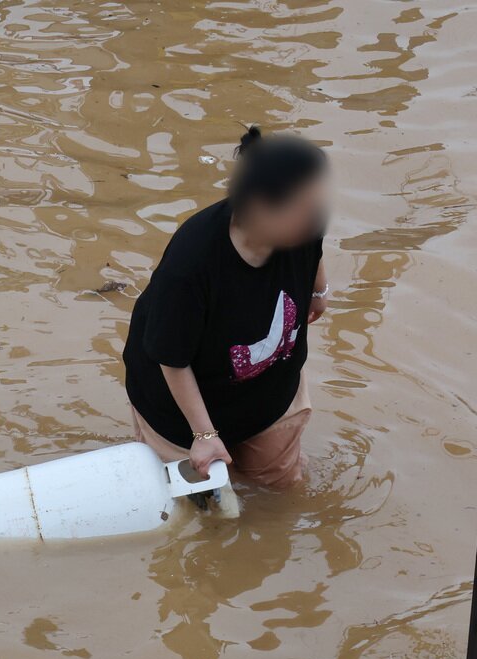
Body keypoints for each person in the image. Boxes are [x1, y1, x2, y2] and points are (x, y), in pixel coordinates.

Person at [122, 126, 329, 498]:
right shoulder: (190, 265)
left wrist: (318, 292)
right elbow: (171, 359)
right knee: (195, 510)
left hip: (268, 395)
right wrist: (203, 435)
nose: (316, 216)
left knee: (280, 493)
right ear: (261, 207)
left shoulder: (303, 223)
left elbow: (316, 250)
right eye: (306, 208)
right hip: (180, 410)